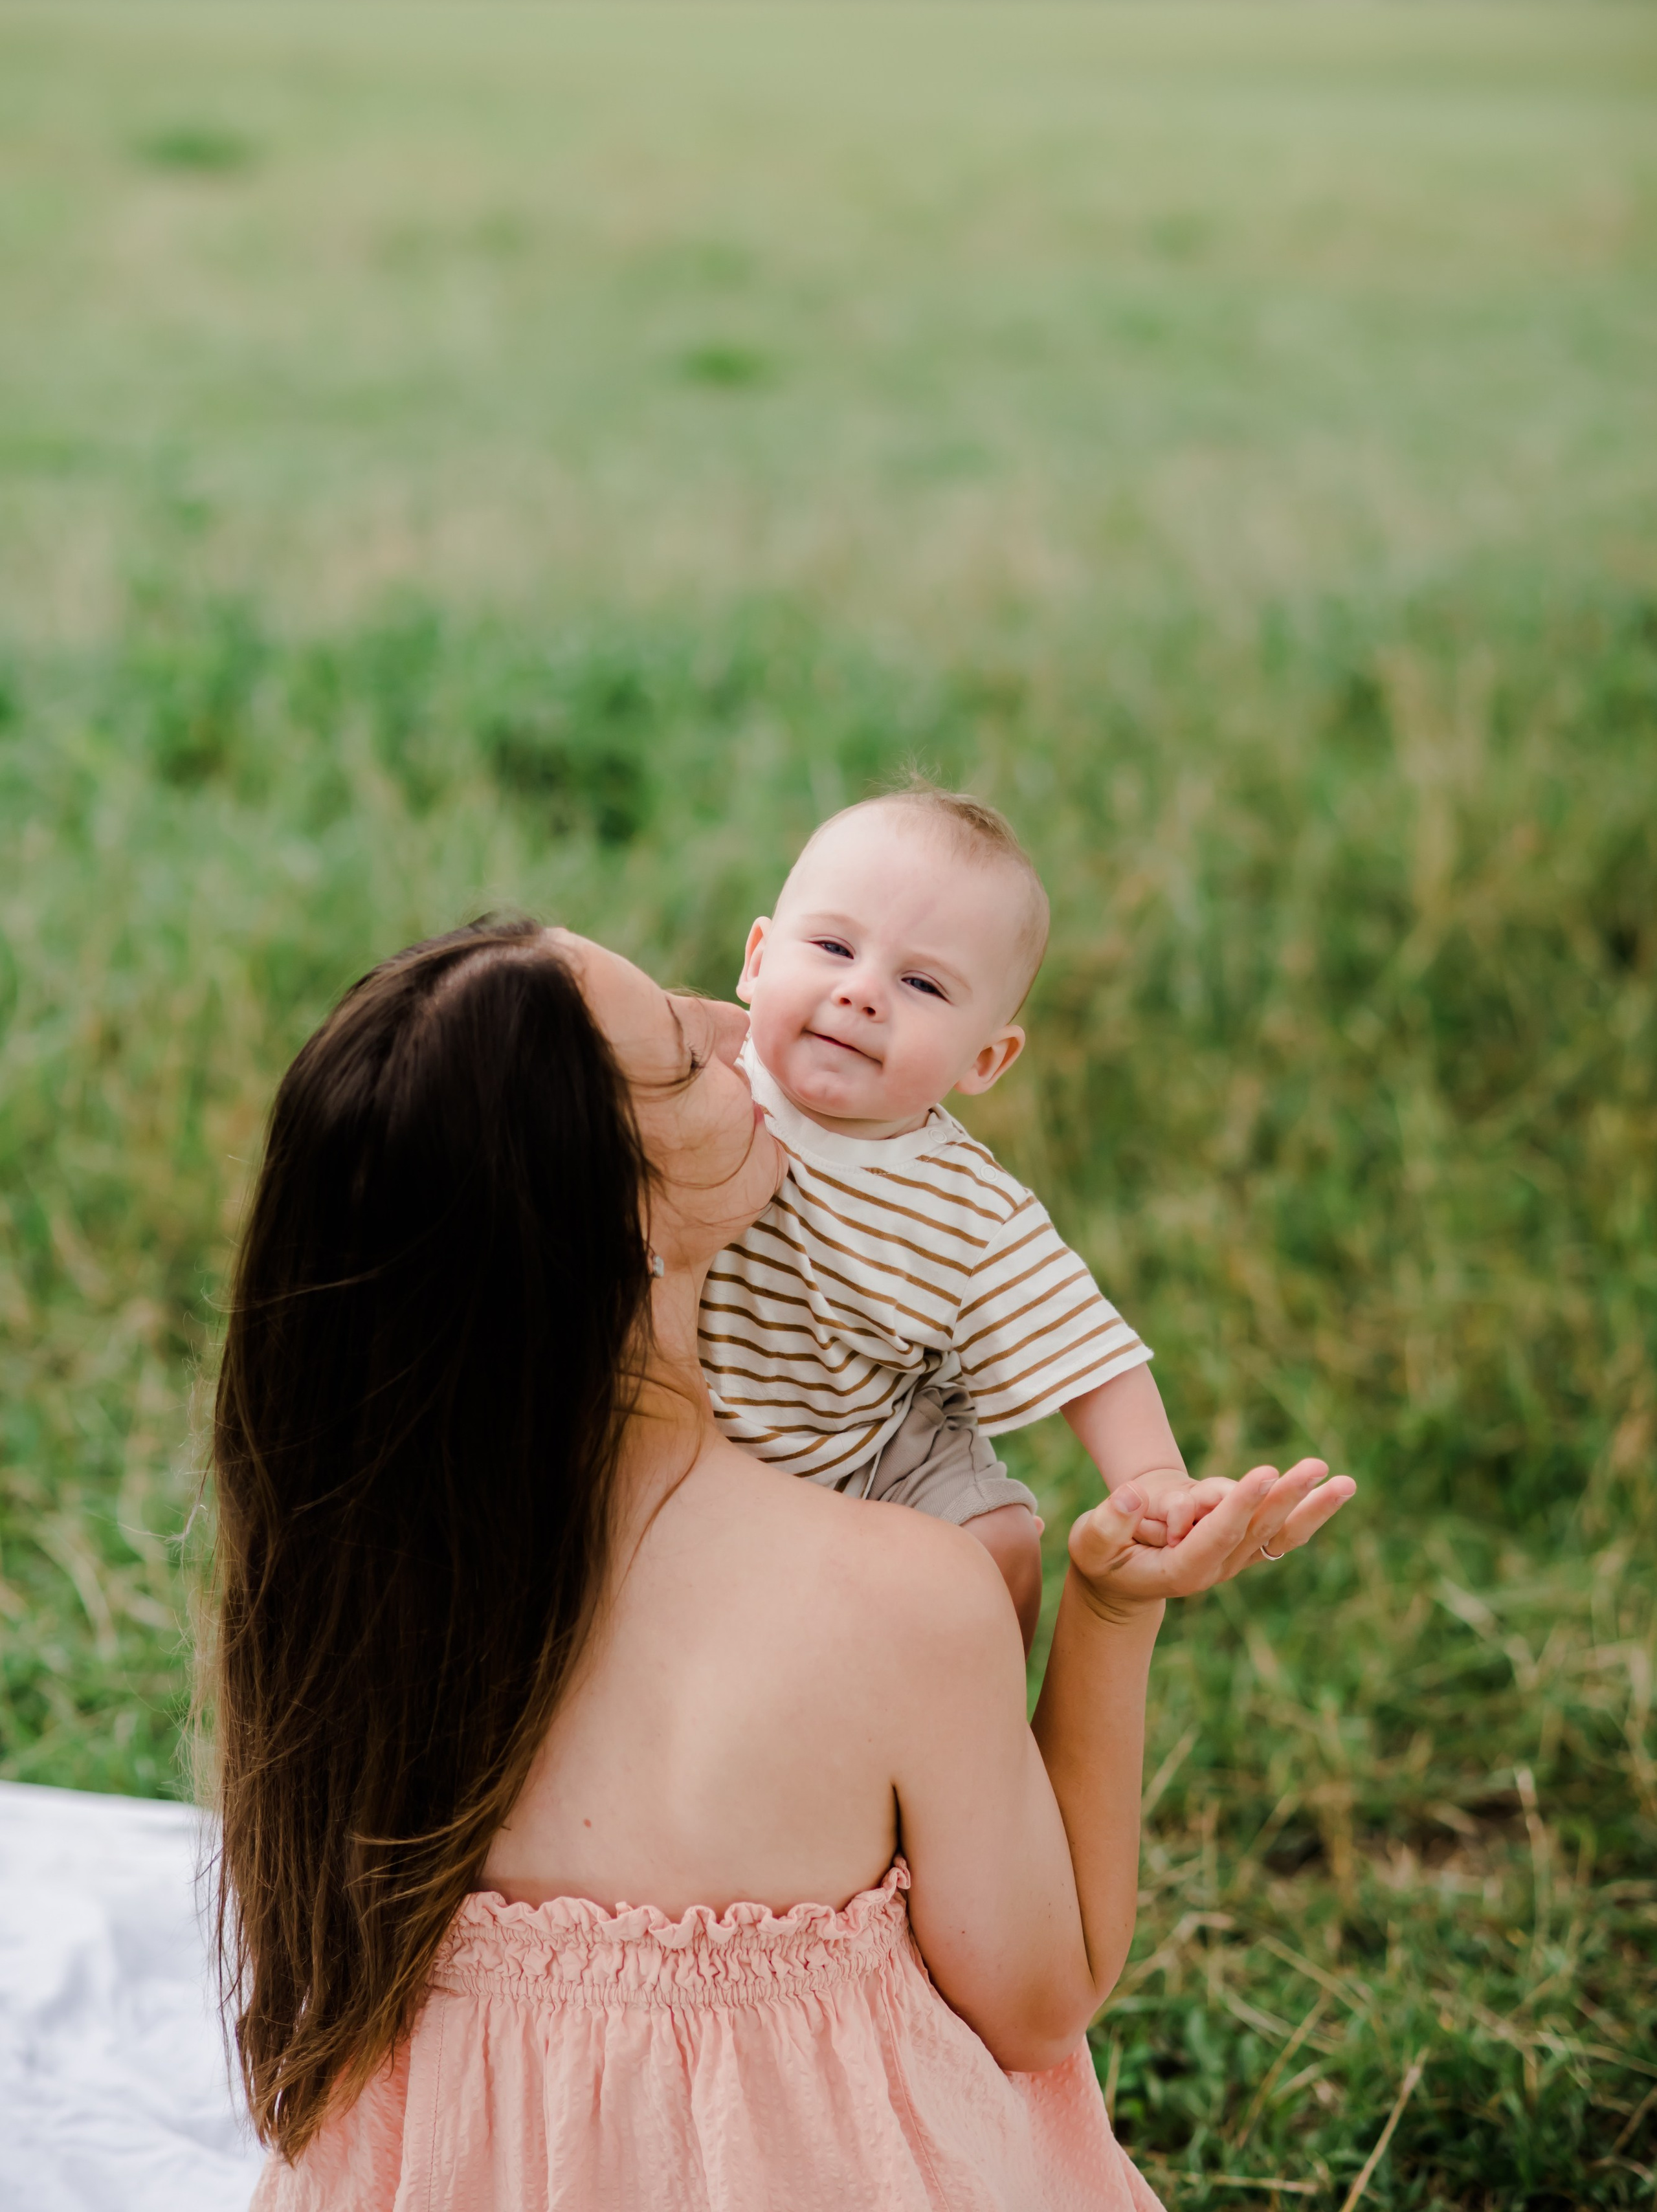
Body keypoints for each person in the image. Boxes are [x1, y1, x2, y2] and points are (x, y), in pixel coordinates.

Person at [214, 916, 1353, 2210]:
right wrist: (1100, 1610)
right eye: (680, 1059)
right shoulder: (900, 1594)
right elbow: (1042, 2001)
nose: (730, 1023)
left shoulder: (339, 1588)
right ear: (623, 1214)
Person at [702, 778, 1233, 1648]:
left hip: (866, 1451)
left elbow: (1087, 1353)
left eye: (921, 983)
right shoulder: (690, 1082)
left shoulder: (968, 1208)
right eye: (834, 947)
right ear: (759, 960)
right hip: (680, 1429)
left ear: (984, 1059)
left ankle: (967, 1722)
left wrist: (1155, 1479)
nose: (862, 993)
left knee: (997, 1546)